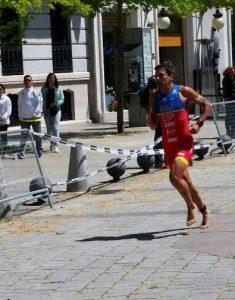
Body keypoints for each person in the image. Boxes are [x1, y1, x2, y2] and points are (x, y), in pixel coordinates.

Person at [146, 61, 212, 229]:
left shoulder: (182, 91)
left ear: (171, 77)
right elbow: (154, 125)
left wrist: (199, 124)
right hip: (169, 147)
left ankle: (190, 207)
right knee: (187, 183)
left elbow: (207, 105)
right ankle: (204, 211)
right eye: (156, 76)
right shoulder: (155, 97)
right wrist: (149, 114)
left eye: (162, 76)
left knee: (174, 177)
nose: (158, 79)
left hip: (184, 144)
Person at [138, 76, 166, 169]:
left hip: (164, 112)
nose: (153, 90)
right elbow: (145, 105)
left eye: (155, 88)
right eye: (151, 88)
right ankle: (158, 161)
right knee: (158, 136)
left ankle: (169, 158)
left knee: (167, 136)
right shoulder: (144, 93)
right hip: (153, 112)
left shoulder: (163, 90)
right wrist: (149, 113)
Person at [17, 75, 43, 159]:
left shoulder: (37, 92)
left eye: (29, 80)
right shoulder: (21, 92)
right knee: (23, 136)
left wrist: (36, 112)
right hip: (24, 119)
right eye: (26, 80)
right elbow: (19, 105)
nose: (27, 82)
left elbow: (40, 103)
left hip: (35, 118)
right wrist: (20, 115)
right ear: (23, 82)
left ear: (32, 81)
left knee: (38, 136)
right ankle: (21, 153)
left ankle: (39, 152)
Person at [41, 73, 64, 153]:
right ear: (47, 79)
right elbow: (41, 99)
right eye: (50, 77)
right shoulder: (44, 88)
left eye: (53, 77)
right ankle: (52, 143)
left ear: (55, 79)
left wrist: (55, 103)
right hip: (47, 110)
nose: (51, 79)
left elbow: (62, 99)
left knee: (55, 128)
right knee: (49, 129)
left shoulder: (58, 88)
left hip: (56, 110)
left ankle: (56, 145)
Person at [222, 66, 235, 138]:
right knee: (232, 115)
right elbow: (232, 89)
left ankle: (229, 131)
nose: (233, 73)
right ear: (229, 72)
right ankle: (233, 131)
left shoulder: (225, 79)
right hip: (231, 99)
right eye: (232, 71)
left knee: (229, 115)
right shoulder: (230, 79)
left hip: (227, 98)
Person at [0, 84, 12, 158]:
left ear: (3, 90)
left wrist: (3, 117)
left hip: (4, 121)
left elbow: (9, 110)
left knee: (4, 137)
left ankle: (5, 152)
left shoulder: (7, 99)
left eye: (1, 88)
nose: (0, 90)